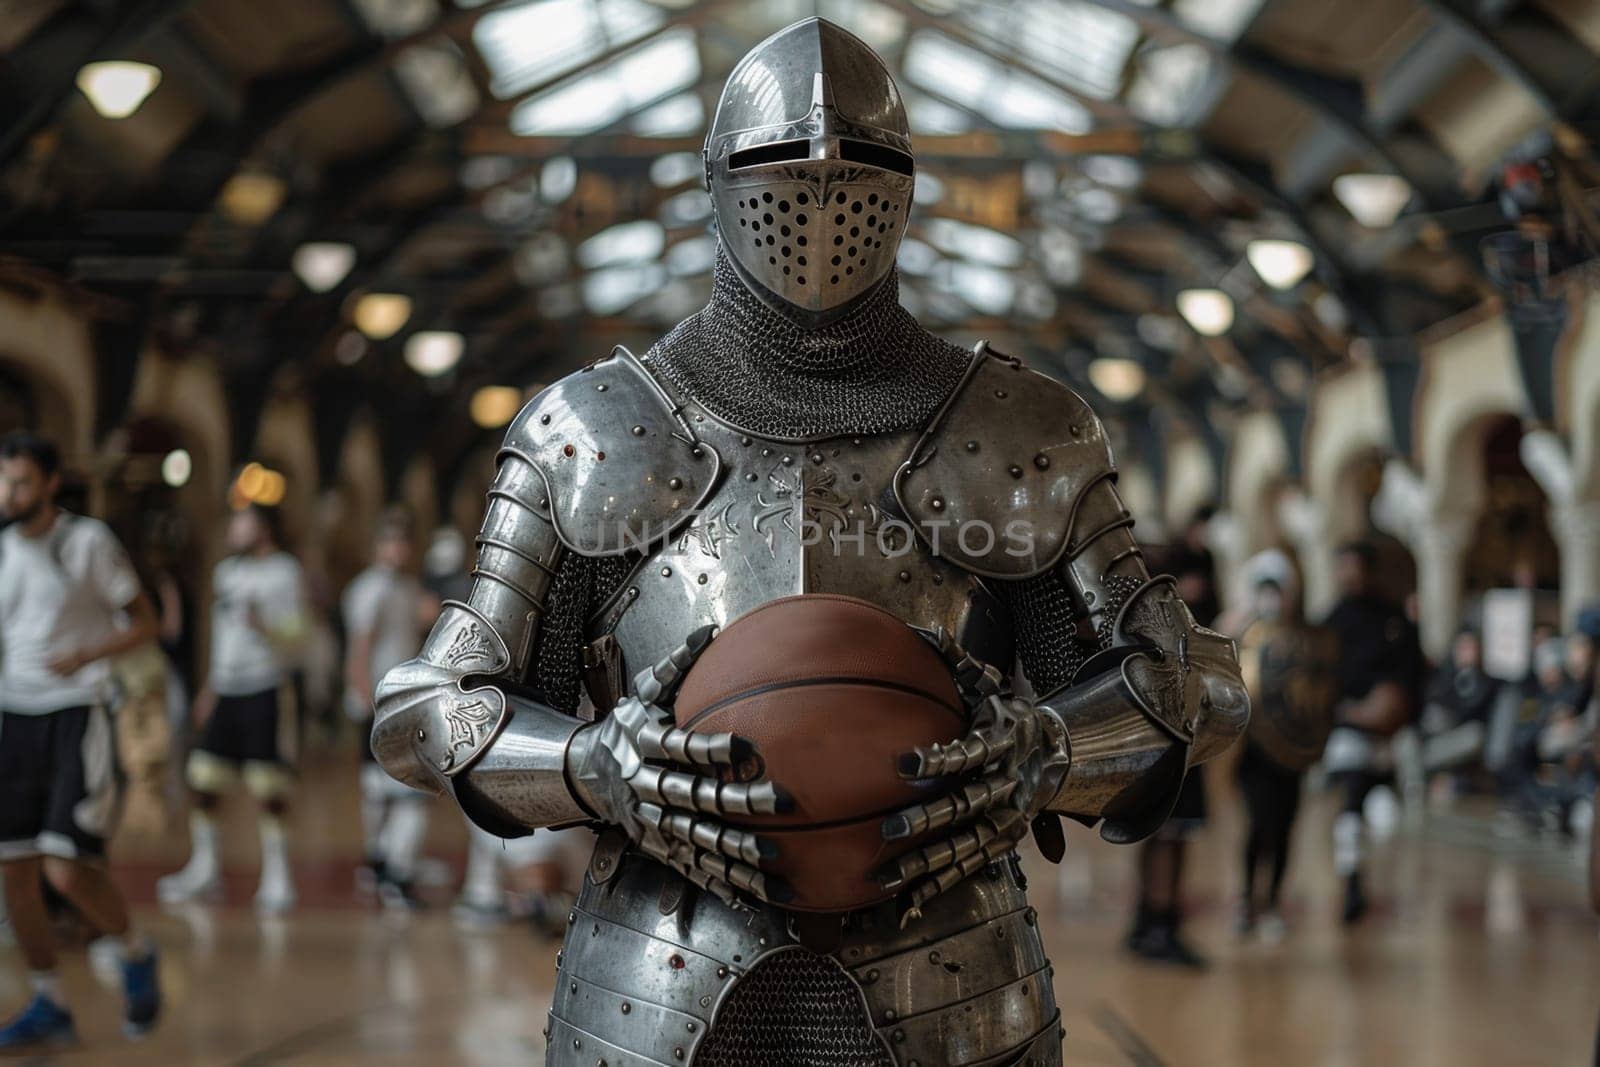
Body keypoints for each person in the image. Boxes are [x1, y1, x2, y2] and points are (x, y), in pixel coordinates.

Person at [369, 19, 1247, 1065]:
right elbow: (421, 708)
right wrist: (591, 763)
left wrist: (1051, 748)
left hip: (956, 979)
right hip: (649, 978)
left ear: (907, 187)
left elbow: (1192, 681)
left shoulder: (1023, 430)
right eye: (781, 166)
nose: (824, 191)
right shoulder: (589, 431)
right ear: (717, 181)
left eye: (861, 164)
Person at [0, 432, 161, 1047]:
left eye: (19, 482)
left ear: (47, 484)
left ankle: (135, 950)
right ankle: (50, 1002)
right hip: (16, 716)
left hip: (77, 709)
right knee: (14, 873)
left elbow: (146, 622)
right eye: (4, 481)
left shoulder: (86, 541)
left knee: (66, 870)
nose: (9, 493)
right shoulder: (4, 549)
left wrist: (89, 653)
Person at [158, 503, 309, 912]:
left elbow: (300, 634)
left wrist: (268, 626)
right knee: (203, 779)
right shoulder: (227, 574)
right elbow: (220, 637)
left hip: (265, 688)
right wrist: (209, 688)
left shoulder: (285, 572)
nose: (233, 530)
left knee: (270, 786)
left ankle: (278, 876)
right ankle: (205, 867)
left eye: (241, 522)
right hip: (227, 689)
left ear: (263, 528)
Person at [1321, 540, 1422, 924]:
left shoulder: (1393, 619)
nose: (1349, 574)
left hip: (1390, 736)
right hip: (1349, 733)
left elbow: (1411, 673)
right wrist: (1350, 711)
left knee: (1384, 814)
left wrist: (1394, 706)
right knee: (1351, 805)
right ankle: (1352, 883)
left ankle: (1361, 878)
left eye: (1354, 565)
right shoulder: (1332, 621)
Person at [1233, 574, 1338, 942]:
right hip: (1254, 753)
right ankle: (1248, 900)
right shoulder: (1246, 635)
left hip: (1291, 754)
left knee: (1283, 829)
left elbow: (1319, 695)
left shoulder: (1309, 641)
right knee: (1258, 826)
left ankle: (1272, 902)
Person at [343, 511, 431, 909]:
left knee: (392, 789)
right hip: (380, 702)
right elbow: (359, 646)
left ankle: (383, 863)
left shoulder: (407, 588)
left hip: (403, 700)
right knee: (386, 789)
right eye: (391, 541)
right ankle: (389, 869)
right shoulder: (370, 589)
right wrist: (365, 698)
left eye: (404, 541)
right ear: (378, 546)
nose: (399, 549)